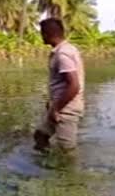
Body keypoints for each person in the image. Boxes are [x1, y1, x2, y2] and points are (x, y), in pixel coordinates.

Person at [33, 18, 85, 151]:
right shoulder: (67, 49)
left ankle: (70, 170)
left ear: (47, 34)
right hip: (59, 104)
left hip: (66, 107)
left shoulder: (62, 54)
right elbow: (62, 83)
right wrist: (52, 103)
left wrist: (56, 108)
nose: (41, 37)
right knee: (40, 135)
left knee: (66, 150)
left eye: (41, 33)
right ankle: (44, 165)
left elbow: (74, 85)